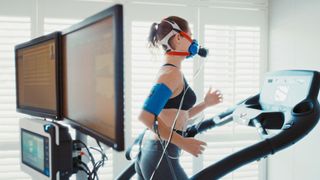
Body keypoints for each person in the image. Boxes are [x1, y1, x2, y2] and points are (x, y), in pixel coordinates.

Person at [135, 16, 223, 180]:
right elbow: (146, 117)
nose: (194, 41)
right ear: (179, 37)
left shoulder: (173, 72)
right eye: (191, 35)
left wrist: (206, 103)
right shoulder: (171, 74)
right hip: (160, 152)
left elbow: (180, 114)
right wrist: (184, 143)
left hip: (158, 150)